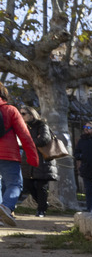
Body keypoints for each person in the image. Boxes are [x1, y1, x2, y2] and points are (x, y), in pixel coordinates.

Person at [0, 83, 39, 226]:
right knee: (15, 184)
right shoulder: (11, 110)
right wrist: (32, 157)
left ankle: (1, 212)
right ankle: (6, 207)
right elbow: (25, 136)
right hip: (8, 155)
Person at [19, 107, 58, 217]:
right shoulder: (23, 127)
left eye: (23, 113)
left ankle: (41, 210)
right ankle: (43, 204)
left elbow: (44, 139)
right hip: (28, 160)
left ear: (32, 115)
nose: (21, 116)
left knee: (41, 186)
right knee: (27, 184)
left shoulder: (42, 126)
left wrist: (28, 142)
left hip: (42, 160)